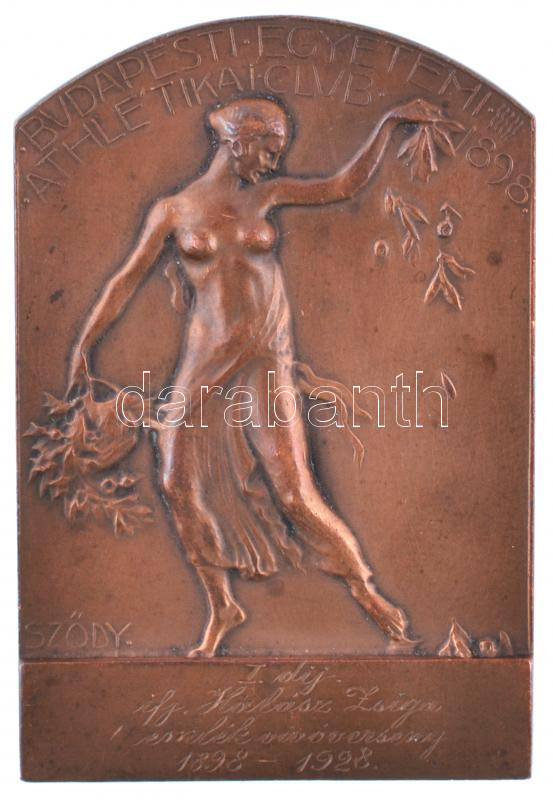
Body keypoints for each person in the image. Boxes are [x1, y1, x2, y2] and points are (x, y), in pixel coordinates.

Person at [67, 96, 441, 656]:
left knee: (294, 492)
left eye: (277, 151)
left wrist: (387, 124)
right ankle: (222, 605)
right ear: (237, 142)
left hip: (263, 358)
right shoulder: (173, 210)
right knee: (174, 481)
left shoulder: (267, 195)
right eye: (268, 149)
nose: (273, 161)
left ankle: (371, 599)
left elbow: (343, 185)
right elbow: (124, 281)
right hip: (205, 362)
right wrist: (83, 345)